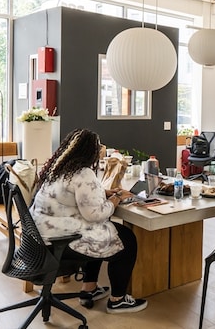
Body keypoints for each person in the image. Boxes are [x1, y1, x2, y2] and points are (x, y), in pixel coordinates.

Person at [30, 129, 148, 314]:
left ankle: (89, 289)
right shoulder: (83, 173)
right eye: (98, 147)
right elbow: (95, 214)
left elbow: (75, 197)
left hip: (41, 236)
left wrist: (103, 193)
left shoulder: (59, 169)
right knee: (126, 239)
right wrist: (116, 197)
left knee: (105, 230)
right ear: (89, 152)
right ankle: (118, 300)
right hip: (60, 240)